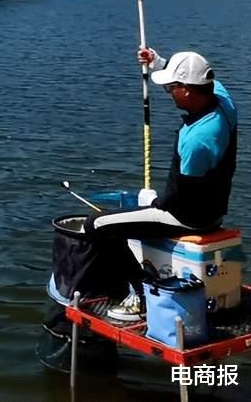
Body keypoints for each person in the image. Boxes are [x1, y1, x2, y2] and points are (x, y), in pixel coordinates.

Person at [84, 46, 237, 321]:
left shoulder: (198, 140)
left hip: (190, 217)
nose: (169, 92)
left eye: (171, 88)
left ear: (188, 91)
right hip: (214, 208)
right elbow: (199, 77)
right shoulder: (223, 100)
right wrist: (158, 63)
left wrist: (155, 204)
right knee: (125, 216)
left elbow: (181, 199)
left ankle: (140, 297)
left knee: (96, 225)